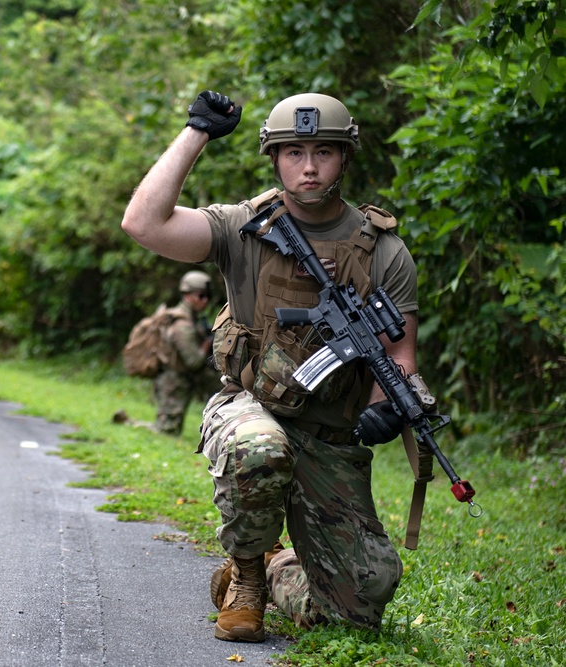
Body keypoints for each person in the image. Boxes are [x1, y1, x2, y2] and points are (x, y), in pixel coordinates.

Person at [121, 91, 419, 642]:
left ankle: (276, 566)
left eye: (324, 152)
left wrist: (385, 409)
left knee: (366, 596)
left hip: (329, 432)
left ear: (345, 157)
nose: (309, 166)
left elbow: (399, 358)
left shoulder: (384, 250)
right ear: (274, 157)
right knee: (260, 447)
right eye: (294, 151)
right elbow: (143, 223)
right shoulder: (243, 227)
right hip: (251, 407)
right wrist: (198, 134)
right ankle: (249, 578)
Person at [152, 270, 219, 435]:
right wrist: (206, 344)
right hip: (174, 383)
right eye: (201, 295)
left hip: (181, 381)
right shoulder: (183, 325)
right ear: (188, 295)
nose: (205, 301)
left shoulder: (192, 320)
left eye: (207, 296)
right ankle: (127, 421)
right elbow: (194, 361)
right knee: (167, 430)